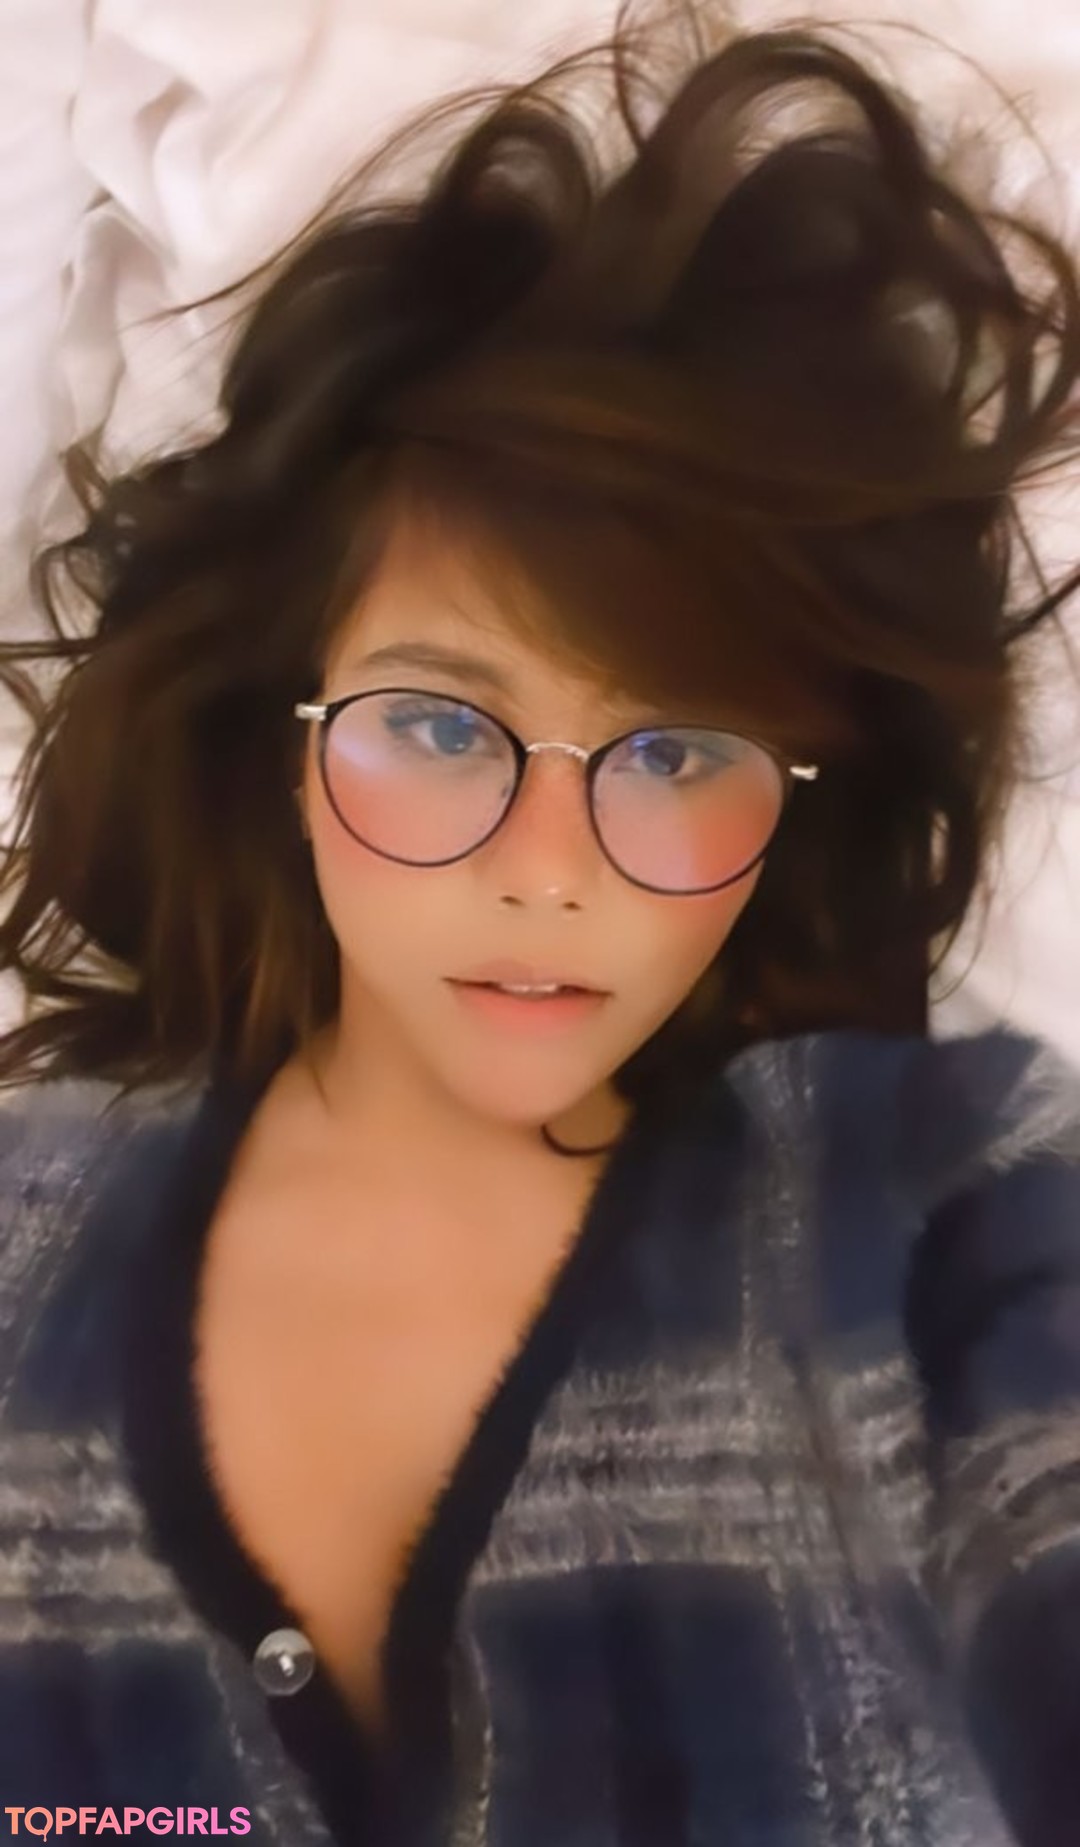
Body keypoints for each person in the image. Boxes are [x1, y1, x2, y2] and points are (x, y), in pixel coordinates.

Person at [1, 1, 1080, 1841]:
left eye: (673, 751)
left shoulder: (955, 1208)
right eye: (440, 726)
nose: (551, 872)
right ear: (284, 733)